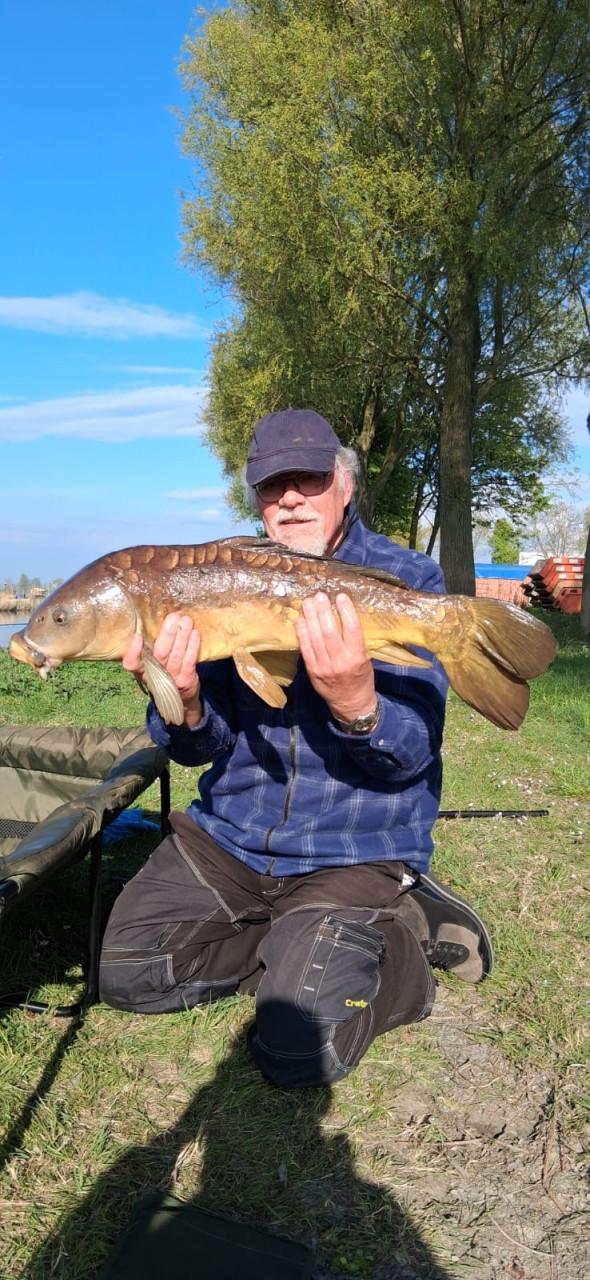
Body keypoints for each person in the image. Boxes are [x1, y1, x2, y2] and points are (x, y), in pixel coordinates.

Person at [99, 409, 493, 1087]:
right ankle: (298, 943)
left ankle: (398, 939)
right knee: (126, 973)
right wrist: (185, 702)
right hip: (232, 839)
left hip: (353, 850)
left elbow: (410, 757)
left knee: (297, 1049)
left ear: (344, 484)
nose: (289, 497)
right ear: (256, 497)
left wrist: (356, 702)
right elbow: (199, 748)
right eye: (272, 484)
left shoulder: (409, 581)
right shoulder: (221, 577)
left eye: (307, 478)